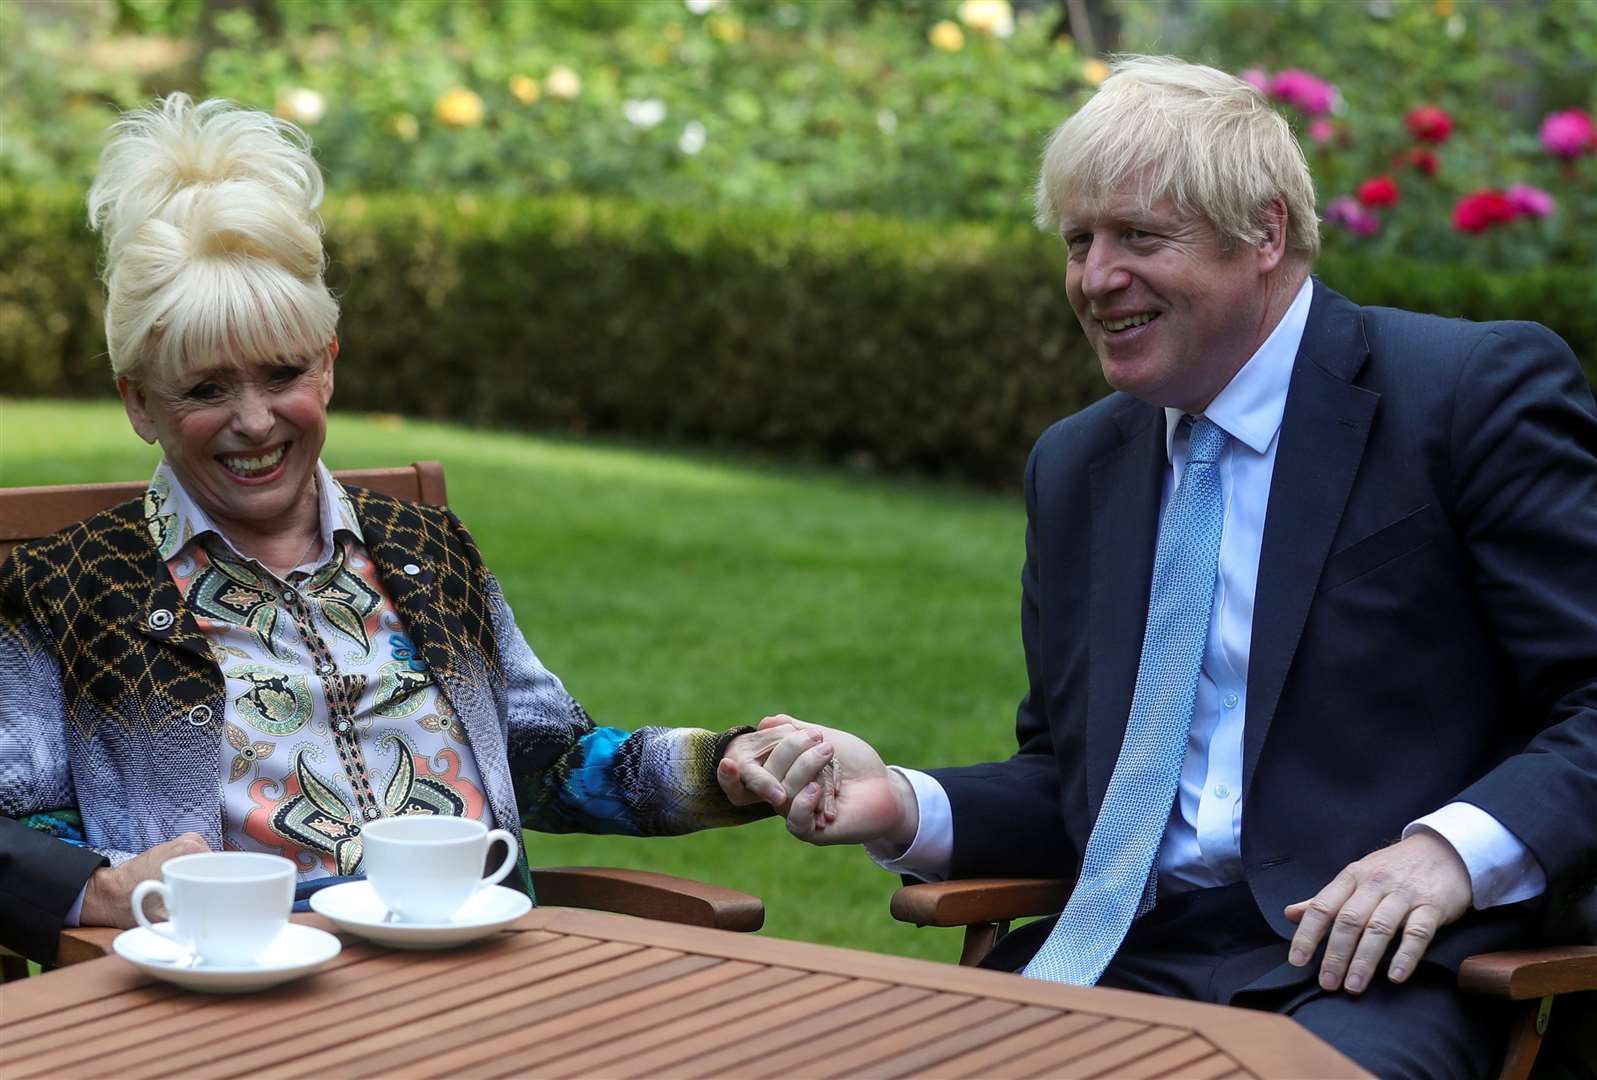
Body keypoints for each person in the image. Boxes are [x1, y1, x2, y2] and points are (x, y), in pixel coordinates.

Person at [722, 56, 1597, 1078]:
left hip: (1369, 977)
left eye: (1139, 236)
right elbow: (1083, 781)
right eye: (1078, 241)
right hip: (1118, 955)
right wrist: (903, 803)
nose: (1096, 278)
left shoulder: (1462, 396)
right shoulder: (1079, 463)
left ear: (1264, 233)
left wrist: (1447, 854)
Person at [0, 93, 822, 965]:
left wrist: (725, 764)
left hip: (482, 973)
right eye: (204, 390)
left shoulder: (426, 551)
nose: (253, 422)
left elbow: (545, 761)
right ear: (138, 401)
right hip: (244, 989)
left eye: (282, 374)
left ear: (328, 364)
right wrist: (97, 888)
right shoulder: (69, 587)